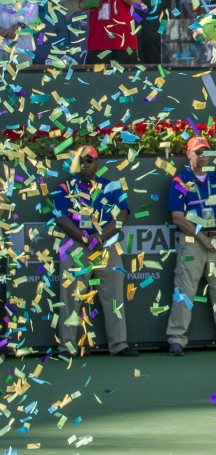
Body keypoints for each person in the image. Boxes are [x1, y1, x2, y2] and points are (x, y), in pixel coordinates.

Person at [52, 146, 138, 358]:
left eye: (89, 161)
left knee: (115, 296)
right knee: (70, 297)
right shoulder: (64, 187)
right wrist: (84, 238)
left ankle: (118, 344)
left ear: (97, 163)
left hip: (106, 245)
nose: (85, 165)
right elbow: (61, 218)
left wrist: (100, 238)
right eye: (81, 161)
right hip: (75, 246)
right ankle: (68, 347)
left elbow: (123, 214)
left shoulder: (111, 186)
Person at [166, 136, 216, 356]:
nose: (202, 156)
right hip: (192, 242)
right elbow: (178, 217)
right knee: (185, 290)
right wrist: (203, 238)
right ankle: (176, 339)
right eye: (198, 152)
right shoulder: (180, 181)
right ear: (189, 154)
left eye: (205, 152)